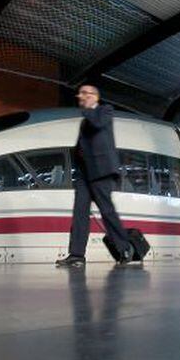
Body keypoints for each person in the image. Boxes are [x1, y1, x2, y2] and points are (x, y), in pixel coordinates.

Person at [56, 85, 133, 267]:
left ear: (94, 96)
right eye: (80, 93)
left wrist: (89, 108)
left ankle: (125, 249)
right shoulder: (86, 119)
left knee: (107, 212)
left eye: (85, 93)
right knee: (79, 213)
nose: (80, 96)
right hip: (84, 174)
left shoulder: (104, 111)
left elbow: (98, 124)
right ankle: (76, 255)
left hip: (101, 171)